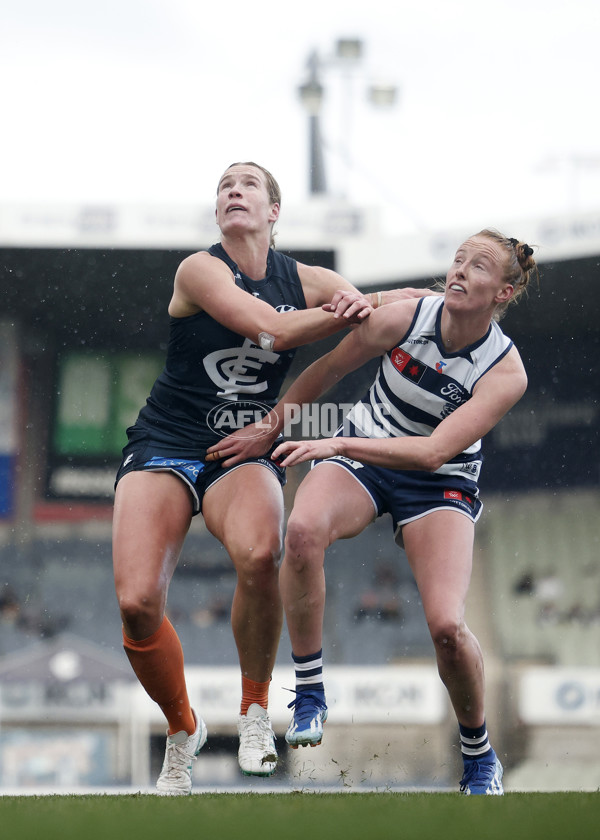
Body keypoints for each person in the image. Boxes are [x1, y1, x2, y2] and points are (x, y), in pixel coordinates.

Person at [112, 161, 431, 795]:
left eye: (248, 184)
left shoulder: (311, 280)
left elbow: (366, 320)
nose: (233, 191)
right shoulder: (199, 270)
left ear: (273, 211)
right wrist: (354, 306)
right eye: (225, 186)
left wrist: (436, 298)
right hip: (166, 442)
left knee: (263, 551)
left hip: (247, 445)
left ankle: (256, 711)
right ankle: (183, 731)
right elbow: (276, 329)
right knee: (136, 602)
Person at [209, 229, 538, 795]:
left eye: (478, 266)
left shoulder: (505, 372)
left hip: (439, 482)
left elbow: (434, 452)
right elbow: (326, 372)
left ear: (503, 292)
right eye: (458, 258)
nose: (460, 270)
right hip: (365, 450)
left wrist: (334, 444)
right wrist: (269, 428)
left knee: (447, 629)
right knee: (304, 531)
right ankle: (310, 690)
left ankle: (478, 753)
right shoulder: (405, 319)